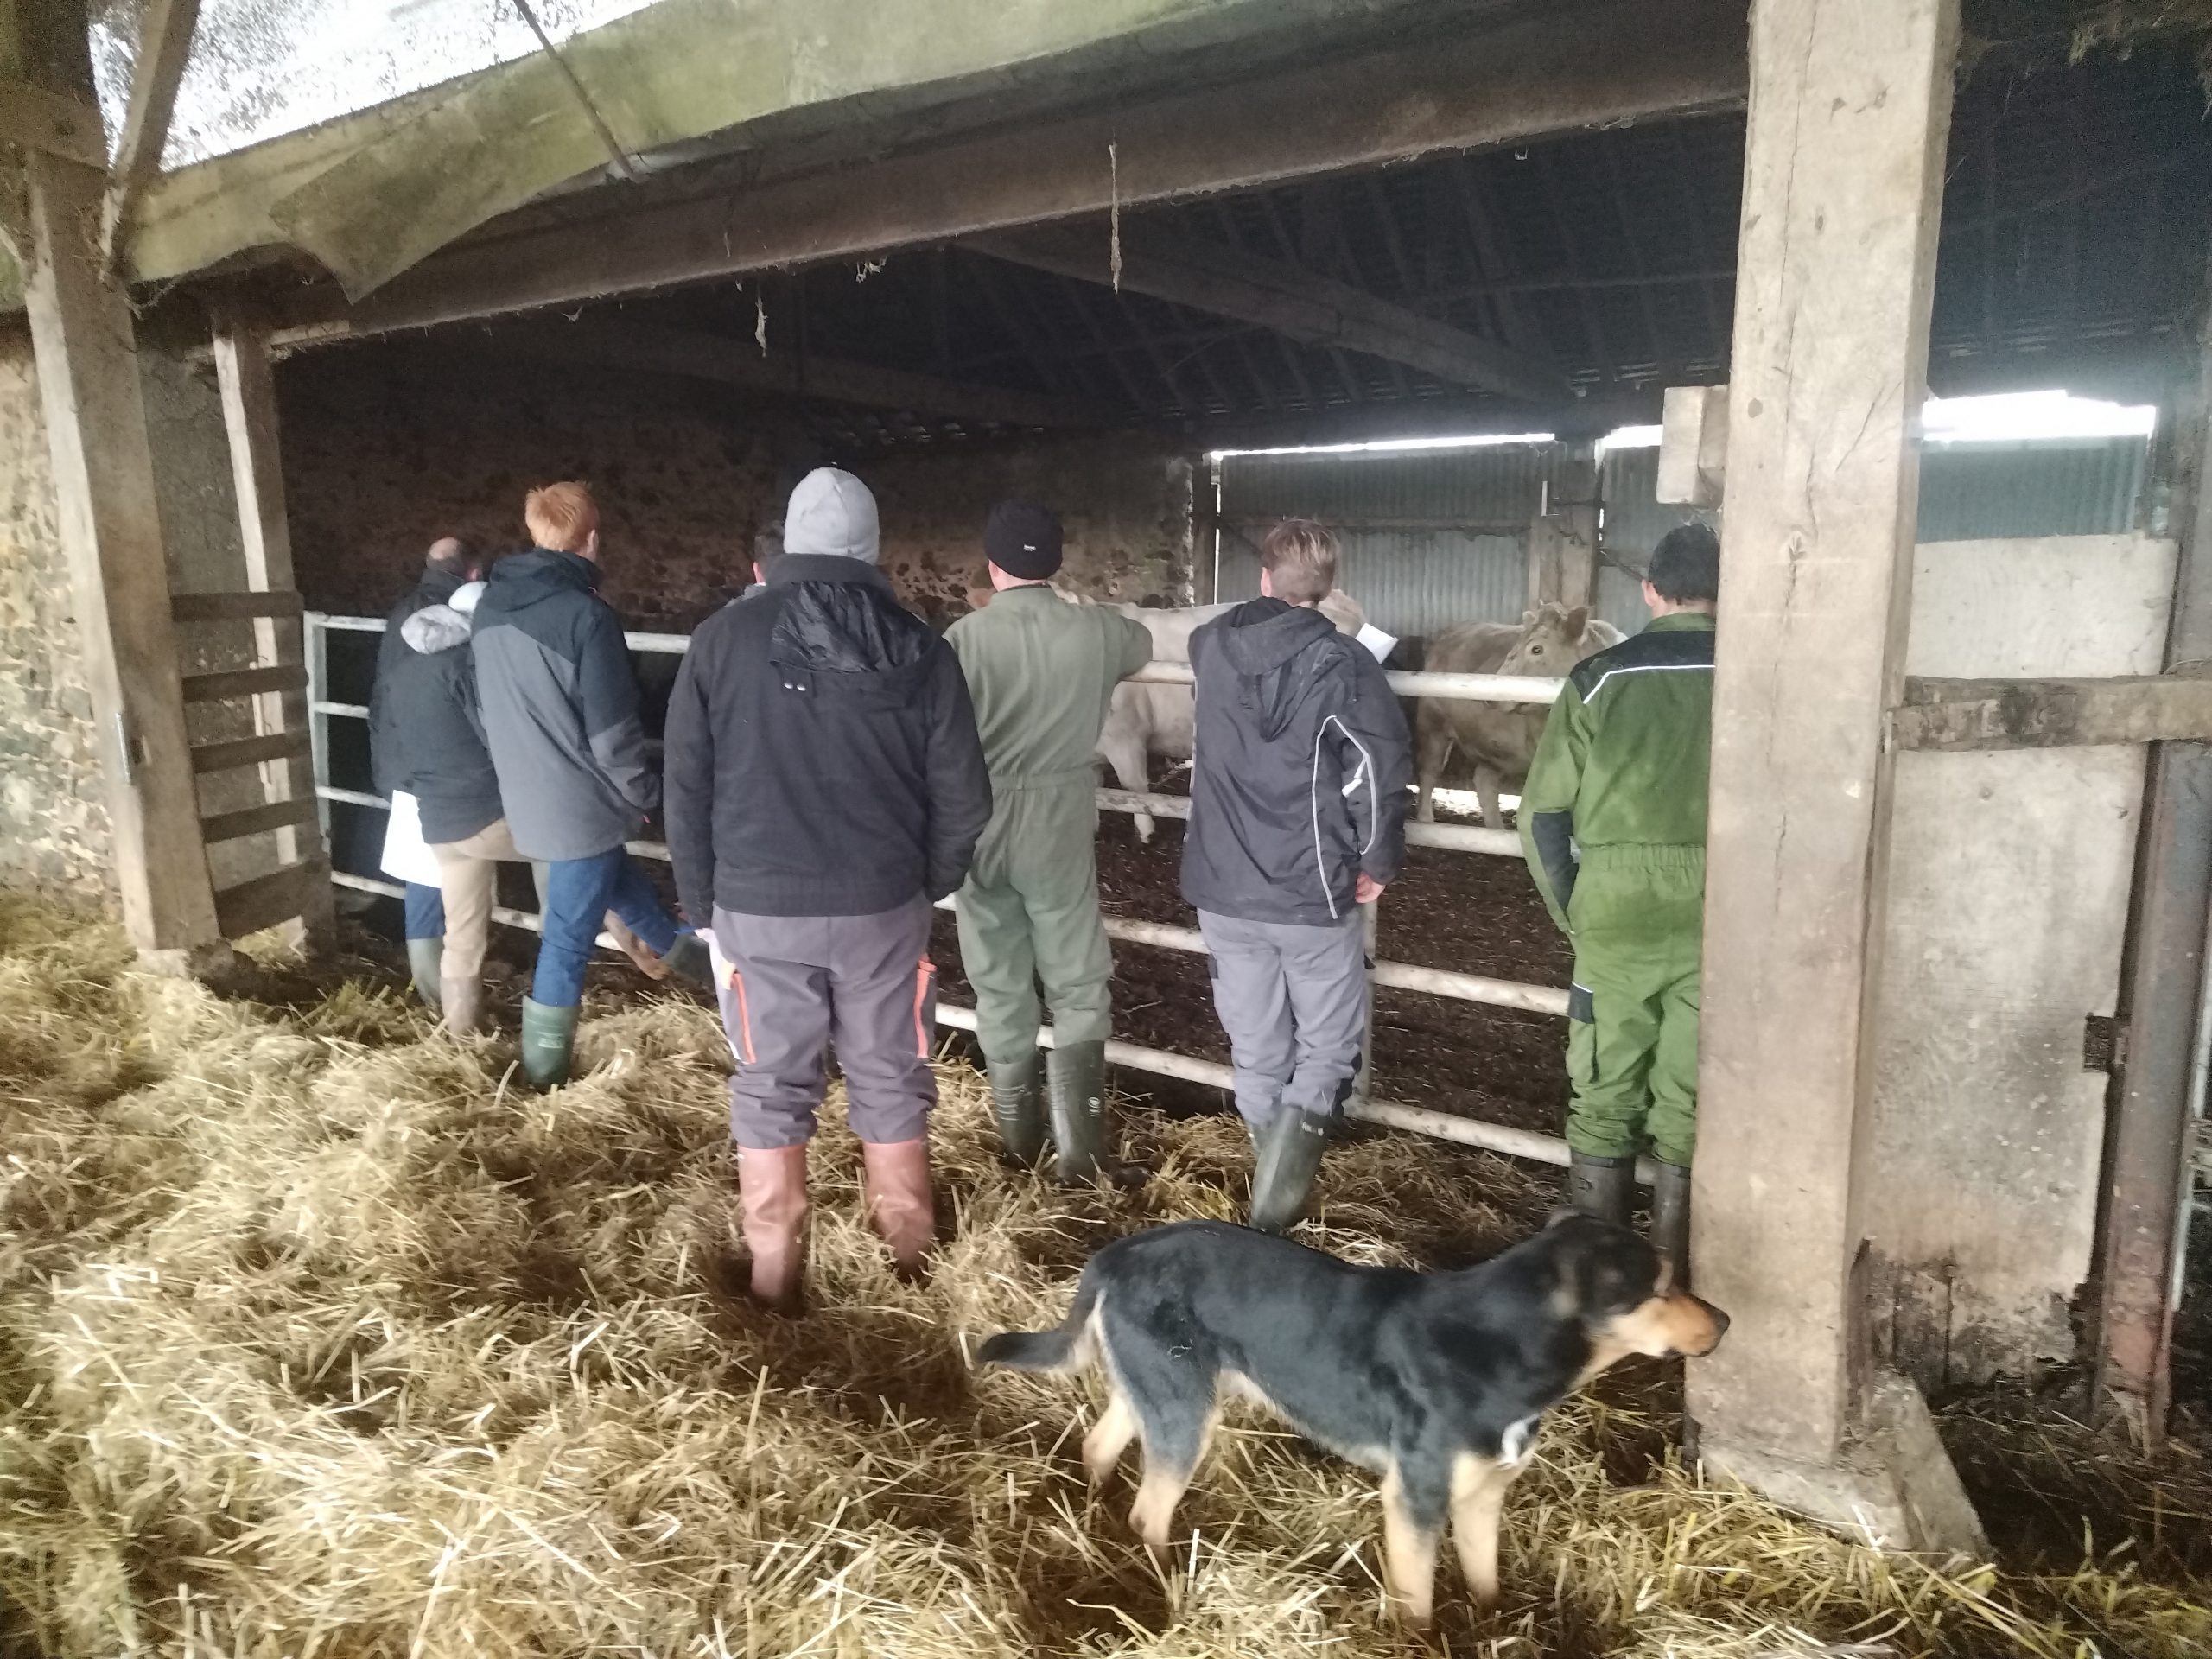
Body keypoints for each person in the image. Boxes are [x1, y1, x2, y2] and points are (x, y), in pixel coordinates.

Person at [663, 467, 991, 1310]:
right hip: (882, 905)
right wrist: (925, 883)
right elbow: (964, 795)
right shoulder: (921, 646)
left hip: (759, 905)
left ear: (791, 540)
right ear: (872, 547)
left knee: (771, 1083)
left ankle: (774, 1281)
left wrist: (703, 904)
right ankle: (909, 1266)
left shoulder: (721, 640)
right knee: (889, 1074)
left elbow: (686, 787)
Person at [1181, 519, 1410, 1232]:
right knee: (1328, 1049)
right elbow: (1376, 772)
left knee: (1256, 1050)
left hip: (1223, 886)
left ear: (1263, 578)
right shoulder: (1346, 664)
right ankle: (1278, 1214)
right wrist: (1378, 860)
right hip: (1309, 890)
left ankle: (1269, 1194)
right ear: (1330, 587)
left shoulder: (1208, 645)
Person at [1516, 521, 1719, 1269]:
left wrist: (1575, 910)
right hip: (1723, 904)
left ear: (1649, 590)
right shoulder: (1759, 676)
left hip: (1615, 904)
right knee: (1691, 1087)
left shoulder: (1599, 678)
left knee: (1604, 1083)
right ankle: (1676, 1272)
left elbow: (1542, 816)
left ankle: (1604, 1278)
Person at [472, 481, 708, 1086]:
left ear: (534, 532)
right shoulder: (586, 616)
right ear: (593, 539)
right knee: (566, 941)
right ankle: (542, 1076)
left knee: (632, 898)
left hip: (529, 798)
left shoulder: (490, 609)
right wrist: (648, 796)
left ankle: (715, 978)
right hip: (582, 808)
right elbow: (613, 735)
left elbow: (482, 707)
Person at [945, 501, 1151, 1179]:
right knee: (1077, 978)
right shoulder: (1096, 631)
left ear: (992, 565)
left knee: (998, 978)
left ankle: (1018, 1147)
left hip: (980, 815)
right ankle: (1082, 1157)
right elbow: (1142, 643)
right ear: (1056, 563)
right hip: (1059, 818)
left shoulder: (962, 639)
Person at [369, 537, 479, 1008]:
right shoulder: (455, 619)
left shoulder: (406, 612)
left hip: (403, 759)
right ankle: (440, 996)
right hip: (435, 768)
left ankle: (435, 989)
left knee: (428, 874)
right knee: (436, 877)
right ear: (474, 572)